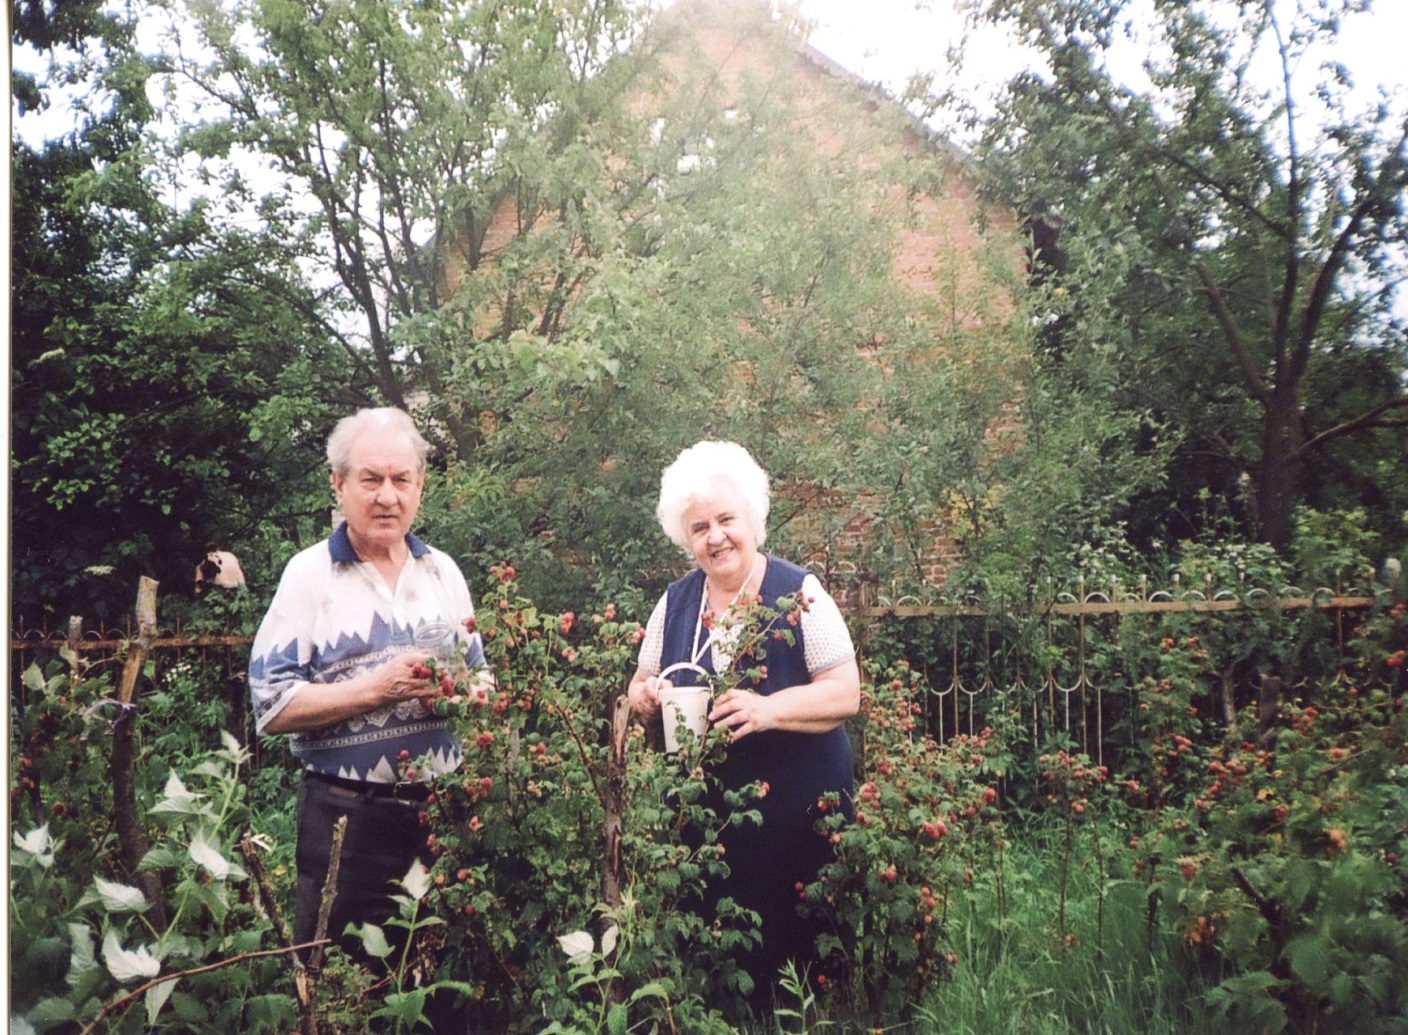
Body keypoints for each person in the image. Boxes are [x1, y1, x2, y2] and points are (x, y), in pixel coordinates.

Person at [248, 406, 492, 974]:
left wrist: (455, 695)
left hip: (442, 815)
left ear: (420, 485)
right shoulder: (310, 575)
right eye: (371, 479)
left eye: (401, 480)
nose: (388, 496)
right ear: (338, 486)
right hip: (345, 821)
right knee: (340, 983)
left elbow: (485, 687)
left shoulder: (443, 574)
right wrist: (375, 690)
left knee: (436, 981)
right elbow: (271, 704)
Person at [626, 440, 860, 996]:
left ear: (752, 519)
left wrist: (768, 708)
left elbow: (846, 691)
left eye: (726, 519)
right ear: (687, 539)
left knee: (799, 978)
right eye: (700, 527)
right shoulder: (676, 603)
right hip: (710, 828)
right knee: (720, 976)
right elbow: (639, 682)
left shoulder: (798, 594)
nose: (715, 537)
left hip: (797, 817)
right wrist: (645, 697)